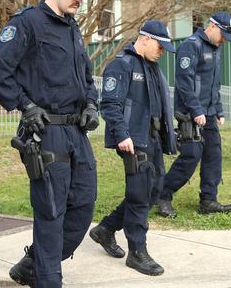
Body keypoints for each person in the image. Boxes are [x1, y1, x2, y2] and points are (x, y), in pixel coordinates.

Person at [0, 0, 99, 288]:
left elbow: (87, 76)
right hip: (47, 133)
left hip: (77, 132)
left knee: (83, 206)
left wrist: (91, 103)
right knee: (50, 216)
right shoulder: (27, 23)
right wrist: (25, 105)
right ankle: (48, 279)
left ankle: (33, 265)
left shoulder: (72, 28)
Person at [89, 21, 177, 276]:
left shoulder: (153, 68)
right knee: (139, 195)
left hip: (153, 139)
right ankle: (137, 253)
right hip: (133, 141)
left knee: (155, 190)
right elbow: (110, 105)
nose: (162, 52)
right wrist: (122, 134)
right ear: (146, 39)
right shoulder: (122, 65)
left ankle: (105, 229)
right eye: (161, 46)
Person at [156, 12, 231, 218]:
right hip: (191, 114)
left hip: (209, 114)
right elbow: (184, 82)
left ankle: (208, 200)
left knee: (213, 156)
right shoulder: (191, 45)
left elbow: (213, 84)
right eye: (223, 35)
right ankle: (163, 195)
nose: (225, 40)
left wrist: (218, 109)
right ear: (213, 27)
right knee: (191, 156)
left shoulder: (216, 49)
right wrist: (196, 110)